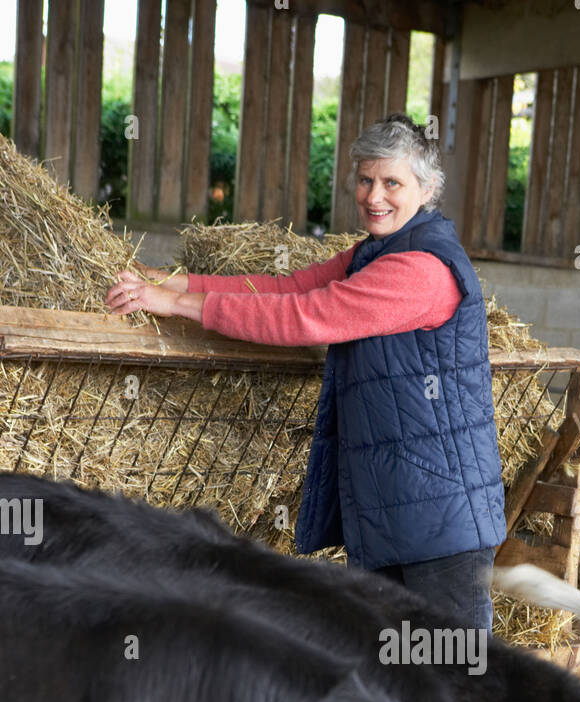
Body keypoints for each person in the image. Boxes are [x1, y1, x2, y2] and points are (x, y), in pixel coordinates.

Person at [107, 113, 506, 629]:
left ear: (426, 189)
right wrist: (182, 284)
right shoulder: (374, 252)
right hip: (397, 504)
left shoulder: (420, 270)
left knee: (454, 674)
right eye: (365, 180)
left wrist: (179, 307)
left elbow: (305, 317)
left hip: (439, 514)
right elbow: (290, 289)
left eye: (392, 183)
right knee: (392, 672)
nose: (374, 196)